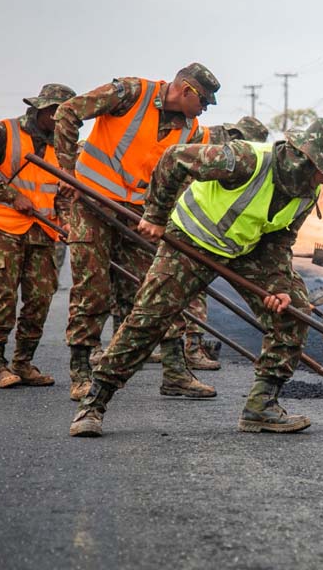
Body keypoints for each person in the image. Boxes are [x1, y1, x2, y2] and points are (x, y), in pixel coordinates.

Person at [69, 118, 323, 437]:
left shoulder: (306, 192)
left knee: (293, 312)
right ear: (304, 157)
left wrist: (278, 287)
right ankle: (93, 405)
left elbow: (279, 240)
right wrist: (156, 216)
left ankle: (261, 407)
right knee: (148, 320)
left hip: (246, 249)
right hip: (191, 240)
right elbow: (175, 157)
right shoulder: (245, 160)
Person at [53, 63, 220, 400]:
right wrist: (66, 171)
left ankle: (175, 372)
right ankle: (81, 373)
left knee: (160, 289)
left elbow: (180, 183)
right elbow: (68, 112)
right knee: (92, 290)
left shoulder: (194, 133)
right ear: (186, 90)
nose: (204, 109)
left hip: (139, 215)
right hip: (92, 204)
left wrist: (161, 219)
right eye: (202, 100)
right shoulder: (130, 93)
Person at [0, 84, 76, 387]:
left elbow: (65, 192)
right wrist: (11, 195)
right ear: (47, 111)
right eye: (61, 116)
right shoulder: (4, 132)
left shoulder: (65, 147)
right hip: (4, 228)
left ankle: (23, 362)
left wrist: (67, 222)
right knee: (1, 298)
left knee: (39, 300)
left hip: (44, 232)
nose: (65, 123)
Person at [180, 114, 271, 371]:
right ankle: (191, 349)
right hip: (188, 225)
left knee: (175, 291)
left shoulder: (215, 141)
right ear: (239, 138)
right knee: (191, 291)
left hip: (190, 221)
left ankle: (181, 348)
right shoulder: (218, 150)